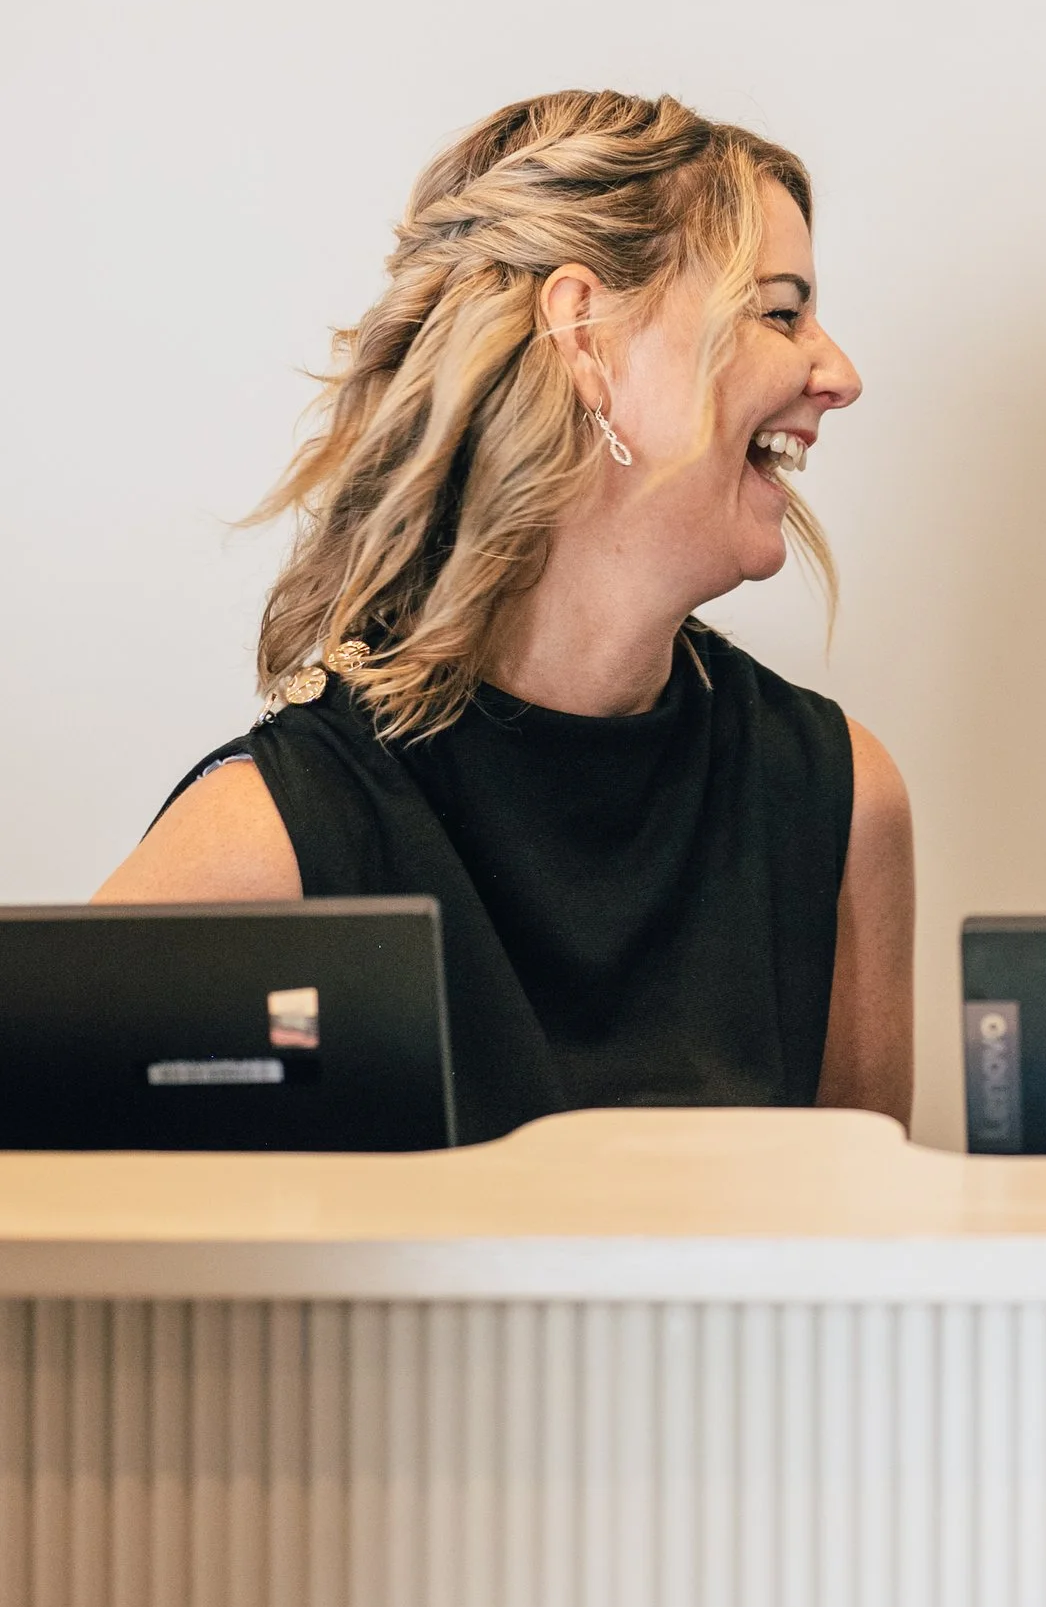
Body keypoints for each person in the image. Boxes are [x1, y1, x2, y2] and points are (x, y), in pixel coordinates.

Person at [96, 89, 914, 1143]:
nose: (839, 374)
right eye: (780, 311)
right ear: (585, 335)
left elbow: (864, 1243)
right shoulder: (275, 839)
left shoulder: (838, 801)